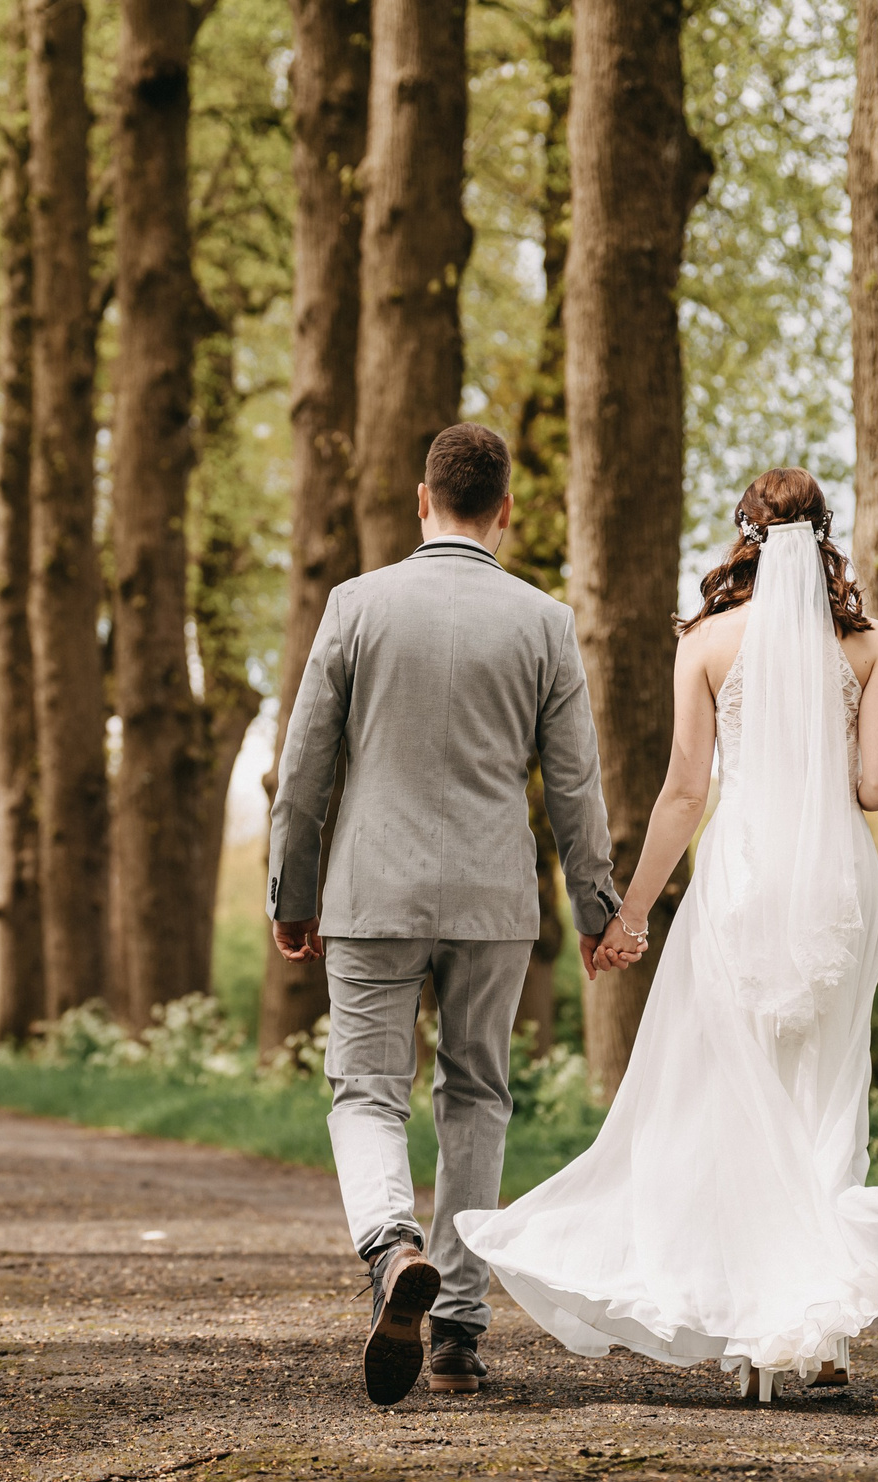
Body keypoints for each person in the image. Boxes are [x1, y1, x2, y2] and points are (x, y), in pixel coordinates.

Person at [452, 467, 878, 1404]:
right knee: (829, 1090)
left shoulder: (705, 642)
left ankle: (754, 1330)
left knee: (740, 1096)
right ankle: (823, 1332)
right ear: (825, 534)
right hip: (835, 885)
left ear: (745, 536)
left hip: (741, 883)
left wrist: (628, 915)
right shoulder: (871, 643)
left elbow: (683, 793)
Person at [266, 423, 623, 1406]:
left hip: (370, 892)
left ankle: (391, 1247)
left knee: (366, 1091)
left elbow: (303, 770)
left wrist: (293, 893)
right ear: (506, 509)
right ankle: (458, 1331)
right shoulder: (545, 622)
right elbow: (575, 787)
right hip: (493, 899)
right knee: (476, 1096)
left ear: (421, 500)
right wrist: (596, 905)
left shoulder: (355, 605)